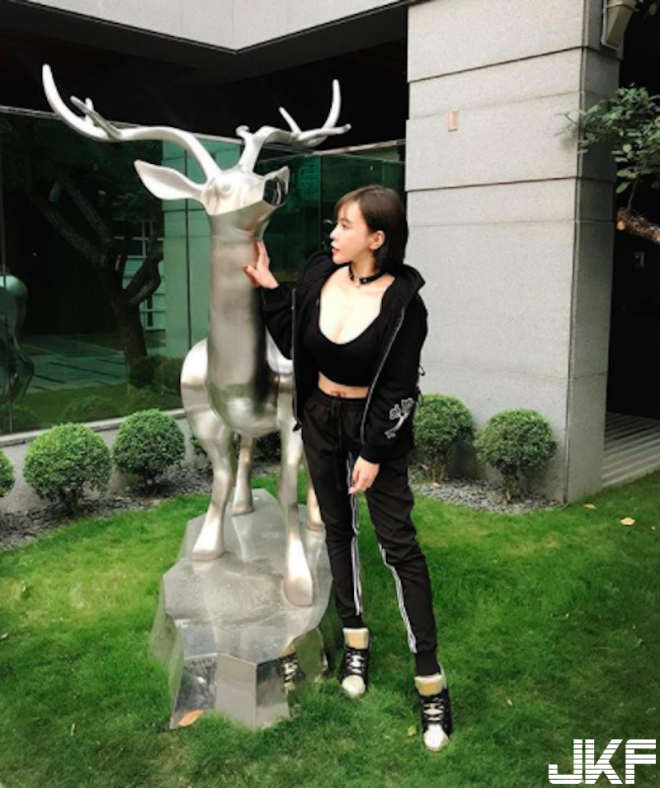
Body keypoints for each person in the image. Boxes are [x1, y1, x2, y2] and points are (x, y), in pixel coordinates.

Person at [242, 184, 453, 753]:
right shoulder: (319, 275)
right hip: (320, 419)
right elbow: (296, 344)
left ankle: (430, 680)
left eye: (345, 226)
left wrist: (375, 453)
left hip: (372, 426)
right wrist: (270, 289)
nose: (333, 234)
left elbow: (401, 386)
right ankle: (355, 639)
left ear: (377, 238)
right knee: (337, 528)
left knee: (398, 546)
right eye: (335, 223)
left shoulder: (404, 304)